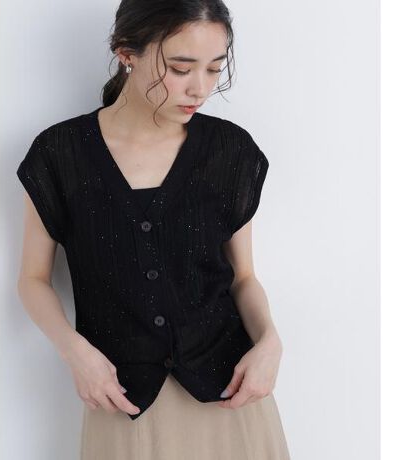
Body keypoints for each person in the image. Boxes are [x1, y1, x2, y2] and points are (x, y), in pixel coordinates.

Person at [16, 0, 291, 458]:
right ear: (127, 53)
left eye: (214, 69)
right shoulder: (59, 154)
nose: (200, 88)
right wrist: (76, 353)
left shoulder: (230, 151)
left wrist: (270, 343)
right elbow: (32, 279)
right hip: (121, 400)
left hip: (232, 399)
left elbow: (243, 277)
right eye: (181, 68)